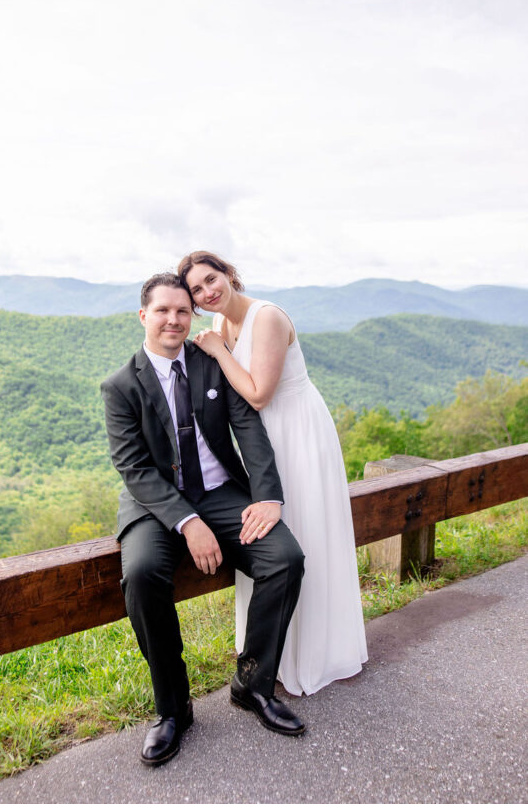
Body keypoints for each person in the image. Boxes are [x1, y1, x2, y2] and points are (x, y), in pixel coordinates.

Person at [100, 272, 306, 767]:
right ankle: (173, 709)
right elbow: (133, 468)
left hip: (220, 493)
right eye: (163, 310)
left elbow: (249, 431)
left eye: (182, 310)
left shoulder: (212, 364)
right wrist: (188, 522)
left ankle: (252, 684)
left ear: (192, 316)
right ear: (143, 316)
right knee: (142, 574)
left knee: (284, 558)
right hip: (157, 506)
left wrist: (269, 497)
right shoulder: (120, 386)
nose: (174, 319)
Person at [178, 251, 367, 697]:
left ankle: (319, 651)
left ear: (229, 274)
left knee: (309, 534)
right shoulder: (222, 325)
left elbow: (260, 394)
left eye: (212, 279)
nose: (208, 292)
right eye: (198, 290)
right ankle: (270, 653)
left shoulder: (267, 317)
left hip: (298, 434)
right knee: (271, 540)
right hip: (261, 445)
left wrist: (219, 352)